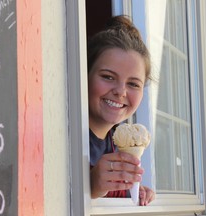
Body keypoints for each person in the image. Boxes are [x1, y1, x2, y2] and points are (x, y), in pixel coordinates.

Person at [87, 15, 155, 206]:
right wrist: (89, 187)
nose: (120, 92)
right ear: (85, 76)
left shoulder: (117, 143)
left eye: (133, 83)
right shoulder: (64, 143)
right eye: (108, 77)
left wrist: (132, 192)